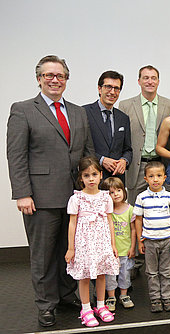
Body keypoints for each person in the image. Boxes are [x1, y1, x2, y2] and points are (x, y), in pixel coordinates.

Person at [6, 55, 94, 327]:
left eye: (60, 76)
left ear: (67, 80)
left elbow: (86, 153)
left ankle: (67, 295)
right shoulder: (23, 110)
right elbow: (16, 155)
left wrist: (92, 193)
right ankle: (46, 305)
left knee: (70, 250)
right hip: (40, 197)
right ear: (39, 79)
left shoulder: (78, 112)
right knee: (43, 255)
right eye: (49, 75)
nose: (55, 80)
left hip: (74, 198)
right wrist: (22, 193)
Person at [65, 157, 120, 327]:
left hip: (102, 241)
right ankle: (86, 308)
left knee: (102, 274)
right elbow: (72, 223)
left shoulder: (106, 198)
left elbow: (110, 221)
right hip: (84, 243)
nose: (91, 179)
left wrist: (112, 245)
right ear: (81, 178)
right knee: (85, 276)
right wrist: (71, 248)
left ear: (101, 175)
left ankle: (101, 306)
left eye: (94, 174)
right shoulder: (77, 198)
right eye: (86, 175)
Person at [118, 65, 170, 206]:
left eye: (153, 78)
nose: (150, 82)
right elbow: (122, 139)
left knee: (161, 210)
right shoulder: (125, 105)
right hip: (136, 167)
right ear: (139, 81)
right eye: (146, 78)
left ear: (158, 81)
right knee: (134, 211)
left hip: (161, 165)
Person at [134, 161, 170, 313]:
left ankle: (167, 298)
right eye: (151, 176)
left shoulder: (169, 197)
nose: (155, 179)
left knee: (166, 271)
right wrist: (141, 240)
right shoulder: (142, 197)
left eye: (159, 176)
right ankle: (155, 299)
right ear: (145, 179)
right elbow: (138, 219)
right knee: (152, 272)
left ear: (165, 177)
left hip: (167, 239)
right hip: (150, 240)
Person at [84, 71, 132, 185]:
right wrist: (101, 160)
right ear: (99, 89)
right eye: (108, 87)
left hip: (116, 182)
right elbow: (80, 148)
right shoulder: (83, 113)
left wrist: (124, 161)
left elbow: (128, 149)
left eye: (116, 88)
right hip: (92, 180)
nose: (112, 92)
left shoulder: (123, 118)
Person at [101, 177, 136, 311]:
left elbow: (133, 230)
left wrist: (133, 247)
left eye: (118, 190)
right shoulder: (106, 211)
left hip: (125, 250)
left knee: (125, 274)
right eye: (111, 192)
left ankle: (124, 295)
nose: (115, 194)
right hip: (110, 251)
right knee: (110, 275)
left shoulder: (129, 209)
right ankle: (111, 297)